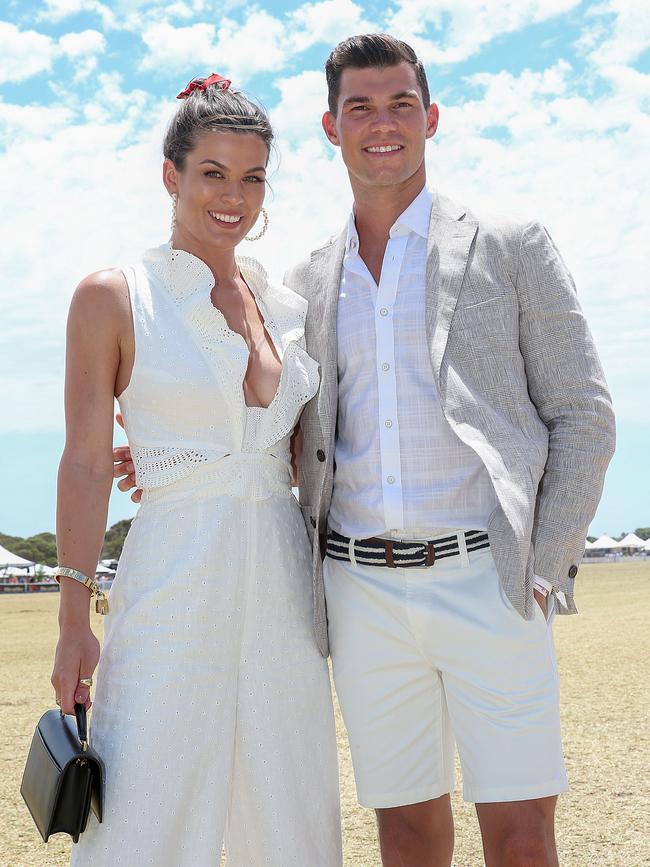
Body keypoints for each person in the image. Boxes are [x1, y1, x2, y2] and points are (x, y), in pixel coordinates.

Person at [284, 35, 615, 867]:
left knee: (520, 837)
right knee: (405, 835)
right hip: (360, 593)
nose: (381, 123)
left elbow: (584, 412)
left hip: (492, 580)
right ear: (332, 127)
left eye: (400, 104)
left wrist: (542, 568)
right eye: (360, 107)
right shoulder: (308, 277)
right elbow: (289, 430)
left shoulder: (511, 242)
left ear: (431, 118)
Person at [51, 75, 342, 866]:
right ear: (171, 174)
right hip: (171, 579)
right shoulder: (115, 295)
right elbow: (82, 461)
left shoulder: (285, 305)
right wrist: (74, 621)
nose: (234, 197)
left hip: (282, 585)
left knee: (291, 806)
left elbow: (291, 449)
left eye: (252, 177)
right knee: (147, 803)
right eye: (213, 172)